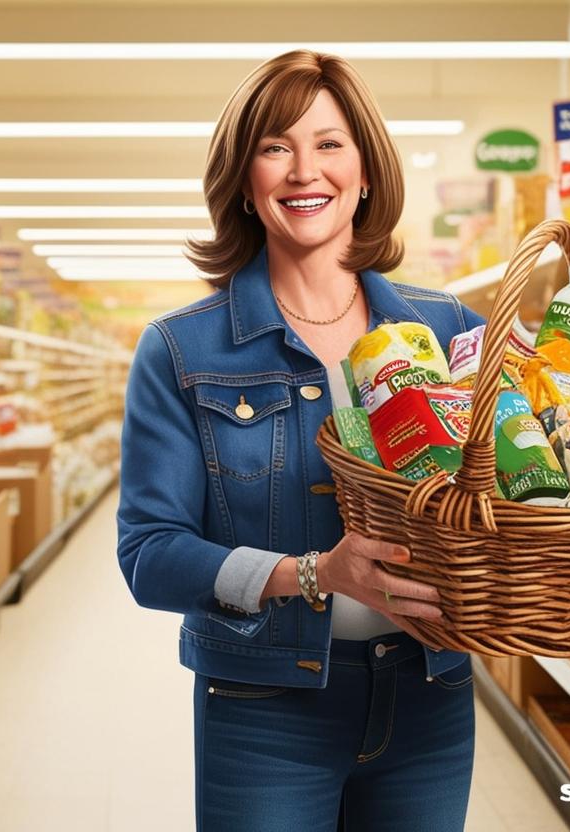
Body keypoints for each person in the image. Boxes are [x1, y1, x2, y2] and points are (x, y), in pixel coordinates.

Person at [116, 50, 484, 831]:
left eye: (328, 144)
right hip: (262, 710)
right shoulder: (184, 350)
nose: (302, 171)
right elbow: (149, 556)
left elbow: (508, 493)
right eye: (275, 147)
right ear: (244, 180)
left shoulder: (449, 328)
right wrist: (312, 573)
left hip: (431, 698)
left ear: (367, 171)